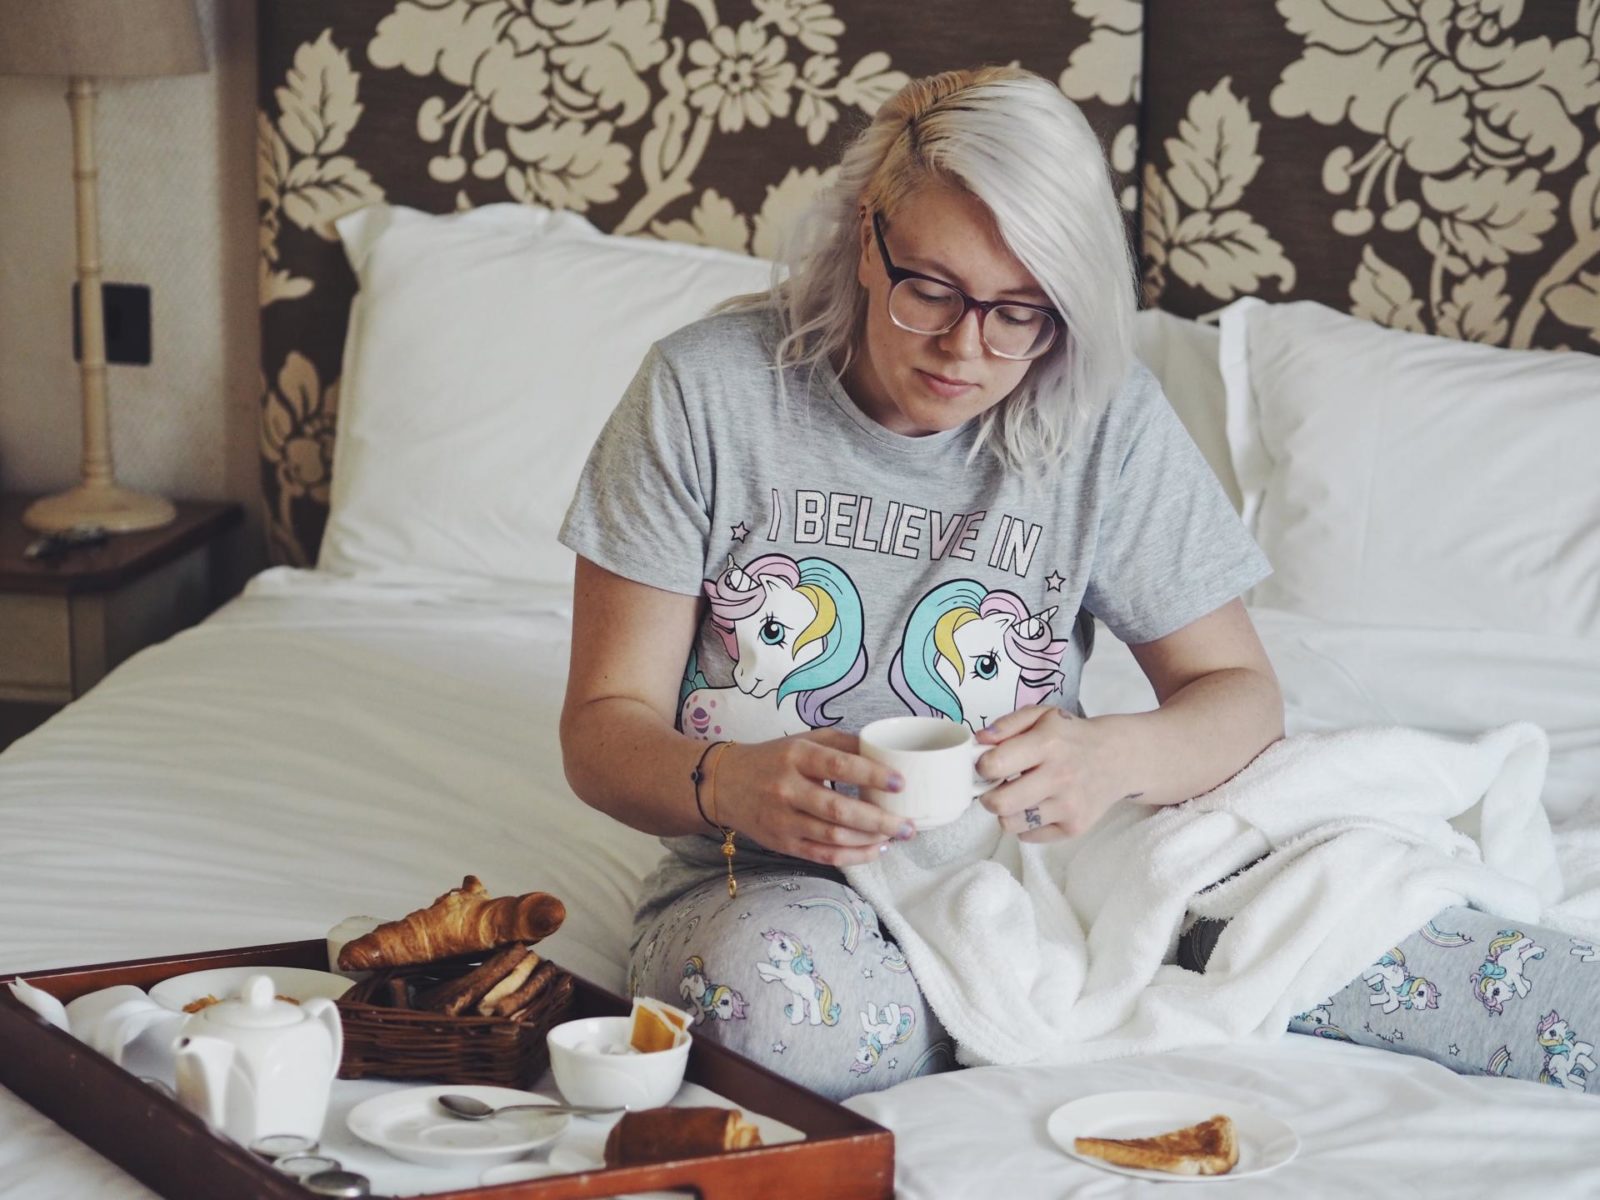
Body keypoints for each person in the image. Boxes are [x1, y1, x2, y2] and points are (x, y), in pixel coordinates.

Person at [559, 66, 1597, 1103]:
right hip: (779, 878)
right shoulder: (706, 393)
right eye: (933, 290)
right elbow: (603, 727)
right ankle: (1086, 995)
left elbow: (1239, 695)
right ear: (867, 235)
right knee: (764, 1009)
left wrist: (1110, 757)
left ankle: (1094, 977)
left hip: (1045, 875)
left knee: (1427, 945)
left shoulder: (1102, 419)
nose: (967, 349)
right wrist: (726, 783)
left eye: (1022, 311)